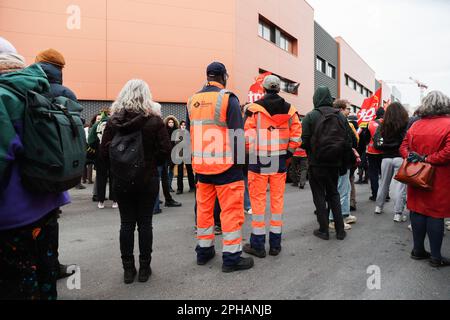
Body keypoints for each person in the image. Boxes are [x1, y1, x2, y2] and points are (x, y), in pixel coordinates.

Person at [0, 38, 70, 299]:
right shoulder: (41, 91)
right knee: (45, 279)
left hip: (13, 216)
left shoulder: (3, 97)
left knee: (17, 286)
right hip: (48, 202)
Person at [101, 79, 171, 283]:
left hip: (121, 181)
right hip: (148, 179)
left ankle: (128, 270)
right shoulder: (154, 121)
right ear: (146, 96)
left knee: (126, 224)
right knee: (145, 224)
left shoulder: (113, 122)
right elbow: (165, 150)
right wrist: (150, 162)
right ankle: (144, 269)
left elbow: (104, 152)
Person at [187, 62, 254, 272]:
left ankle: (204, 252)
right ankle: (232, 258)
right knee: (231, 213)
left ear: (207, 76)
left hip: (202, 168)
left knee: (204, 213)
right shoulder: (227, 98)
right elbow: (237, 134)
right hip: (227, 167)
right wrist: (242, 165)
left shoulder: (192, 100)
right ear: (223, 76)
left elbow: (191, 133)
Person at [242, 75, 302, 258]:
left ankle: (258, 246)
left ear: (264, 89)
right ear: (278, 89)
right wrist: (289, 153)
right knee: (277, 202)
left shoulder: (253, 109)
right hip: (279, 160)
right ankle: (275, 245)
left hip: (258, 160)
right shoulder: (291, 110)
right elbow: (297, 135)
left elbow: (246, 137)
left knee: (258, 203)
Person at [400, 91, 450, 268]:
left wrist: (414, 157)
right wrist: (427, 158)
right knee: (435, 214)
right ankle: (436, 257)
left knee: (417, 210)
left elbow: (403, 147)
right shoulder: (448, 124)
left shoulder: (416, 125)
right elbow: (447, 153)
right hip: (439, 177)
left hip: (416, 174)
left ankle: (418, 250)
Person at [301, 86, 354, 241]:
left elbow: (304, 142)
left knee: (319, 196)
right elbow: (348, 142)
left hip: (316, 164)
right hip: (335, 163)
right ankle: (340, 230)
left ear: (315, 98)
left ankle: (323, 230)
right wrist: (344, 163)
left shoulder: (310, 116)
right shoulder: (341, 117)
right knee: (334, 194)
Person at [373, 102, 409, 221]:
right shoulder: (405, 125)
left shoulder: (382, 126)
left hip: (386, 158)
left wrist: (386, 146)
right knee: (400, 186)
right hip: (400, 157)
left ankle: (379, 207)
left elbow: (377, 143)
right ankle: (398, 214)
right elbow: (407, 141)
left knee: (383, 183)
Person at [328, 100, 358, 231]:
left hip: (342, 160)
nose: (350, 111)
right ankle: (334, 219)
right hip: (339, 160)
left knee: (345, 189)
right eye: (348, 109)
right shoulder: (338, 120)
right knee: (340, 191)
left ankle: (344, 214)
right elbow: (350, 140)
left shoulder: (338, 120)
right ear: (340, 109)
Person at [89, 109, 118, 209]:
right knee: (113, 177)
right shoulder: (115, 125)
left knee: (101, 178)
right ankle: (114, 201)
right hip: (113, 154)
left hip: (100, 155)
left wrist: (97, 147)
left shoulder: (96, 125)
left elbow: (90, 140)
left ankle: (101, 201)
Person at [363, 108, 386, 201]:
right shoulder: (388, 123)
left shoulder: (370, 123)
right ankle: (386, 194)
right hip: (384, 152)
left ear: (376, 114)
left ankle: (375, 194)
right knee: (384, 174)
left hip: (372, 152)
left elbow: (366, 138)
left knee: (373, 174)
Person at [174, 120, 196, 194]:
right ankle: (179, 189)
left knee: (189, 171)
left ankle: (192, 187)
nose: (183, 126)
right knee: (180, 172)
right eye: (182, 124)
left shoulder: (189, 133)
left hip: (187, 154)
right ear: (180, 126)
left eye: (184, 125)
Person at [165, 115, 180, 192]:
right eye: (169, 122)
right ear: (167, 123)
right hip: (166, 154)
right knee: (164, 171)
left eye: (172, 122)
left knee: (171, 170)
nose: (171, 123)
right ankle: (166, 186)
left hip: (173, 153)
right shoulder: (164, 131)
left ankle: (169, 186)